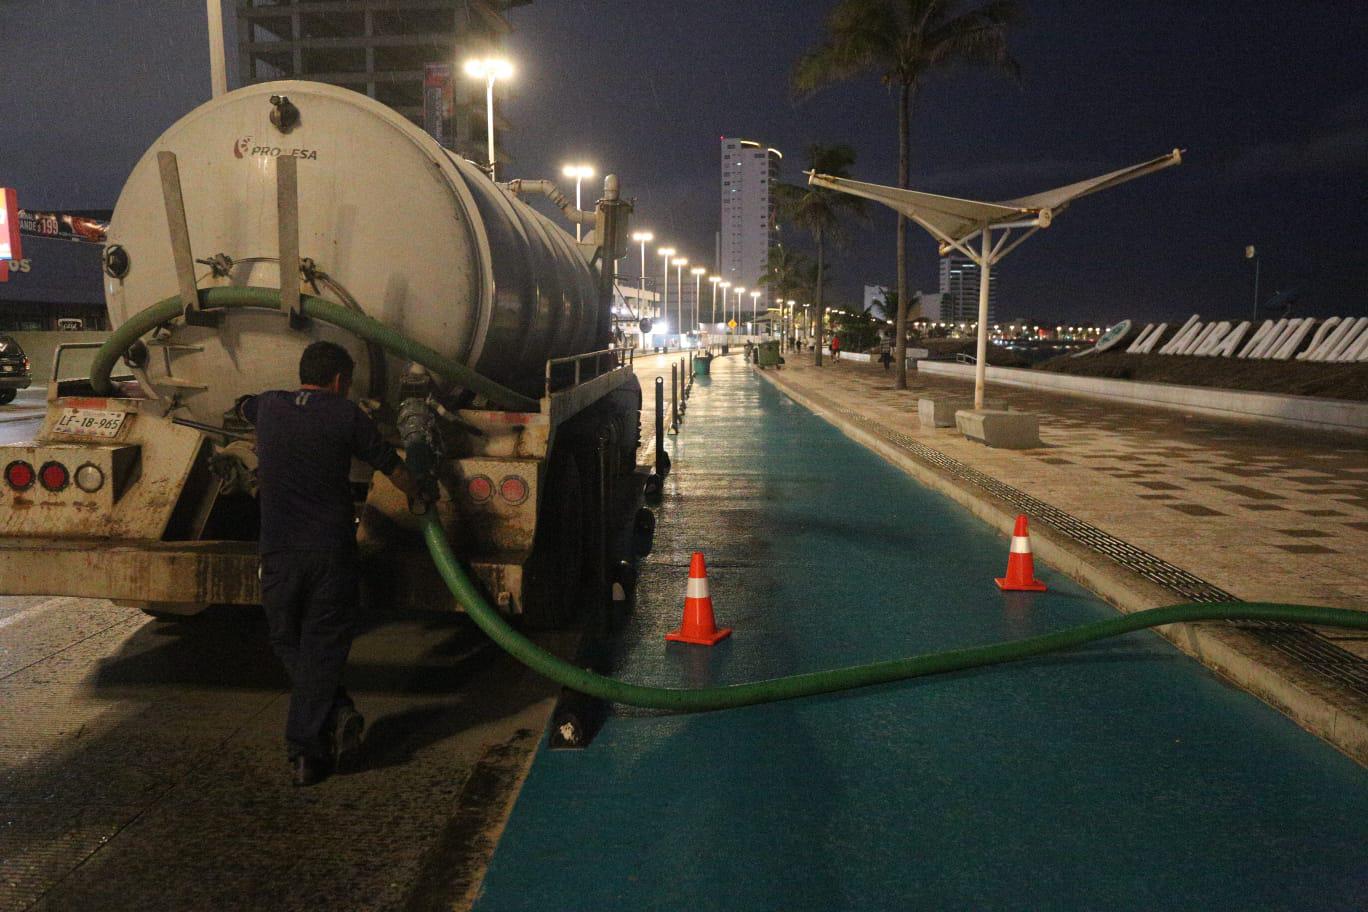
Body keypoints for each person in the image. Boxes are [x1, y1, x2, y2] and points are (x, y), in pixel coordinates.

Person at [239, 341, 415, 786]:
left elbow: (243, 406)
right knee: (321, 647)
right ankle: (309, 748)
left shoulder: (269, 406)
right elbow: (389, 465)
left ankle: (330, 722)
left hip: (279, 556)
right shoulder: (344, 415)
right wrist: (421, 493)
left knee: (286, 640)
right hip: (329, 556)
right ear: (339, 380)